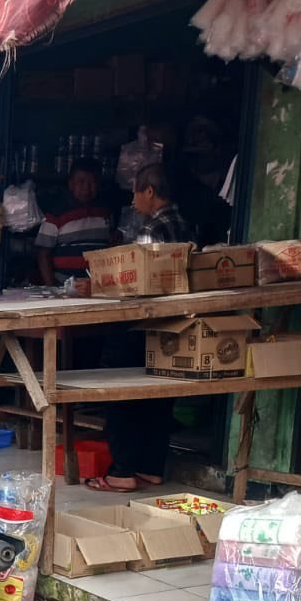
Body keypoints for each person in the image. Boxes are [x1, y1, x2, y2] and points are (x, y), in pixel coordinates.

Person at [86, 165, 195, 493]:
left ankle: (122, 471)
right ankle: (150, 467)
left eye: (136, 192)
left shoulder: (152, 229)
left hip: (141, 319)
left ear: (149, 191)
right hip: (172, 324)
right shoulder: (185, 223)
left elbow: (139, 281)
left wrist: (99, 285)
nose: (133, 200)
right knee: (157, 396)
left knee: (117, 390)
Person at [35, 159, 114, 285]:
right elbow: (43, 254)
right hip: (64, 287)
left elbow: (110, 246)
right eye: (81, 182)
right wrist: (51, 286)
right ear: (71, 184)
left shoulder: (105, 213)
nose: (86, 188)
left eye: (92, 182)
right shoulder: (55, 215)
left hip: (97, 286)